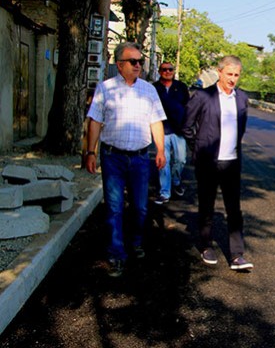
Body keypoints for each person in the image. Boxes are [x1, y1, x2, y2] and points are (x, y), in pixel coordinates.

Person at [85, 41, 167, 278]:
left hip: (140, 158)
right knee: (114, 207)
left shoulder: (149, 90)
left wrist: (160, 150)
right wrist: (90, 152)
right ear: (119, 65)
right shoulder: (105, 88)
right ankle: (116, 254)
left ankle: (136, 241)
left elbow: (156, 122)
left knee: (140, 207)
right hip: (113, 157)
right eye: (133, 61)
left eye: (140, 61)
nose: (138, 65)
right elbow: (95, 121)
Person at [182, 55, 253, 271]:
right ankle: (206, 246)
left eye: (236, 75)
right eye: (229, 74)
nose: (232, 79)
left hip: (231, 162)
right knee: (207, 206)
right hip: (208, 163)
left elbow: (241, 128)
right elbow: (187, 127)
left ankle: (237, 255)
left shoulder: (241, 99)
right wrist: (200, 150)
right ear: (219, 72)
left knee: (234, 209)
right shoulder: (203, 96)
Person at [153, 62, 190, 205]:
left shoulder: (181, 87)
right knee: (164, 161)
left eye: (170, 69)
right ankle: (164, 192)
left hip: (179, 130)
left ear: (173, 71)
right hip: (161, 130)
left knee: (180, 160)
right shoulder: (154, 88)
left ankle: (176, 180)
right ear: (159, 71)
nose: (167, 71)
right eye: (164, 69)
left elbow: (188, 107)